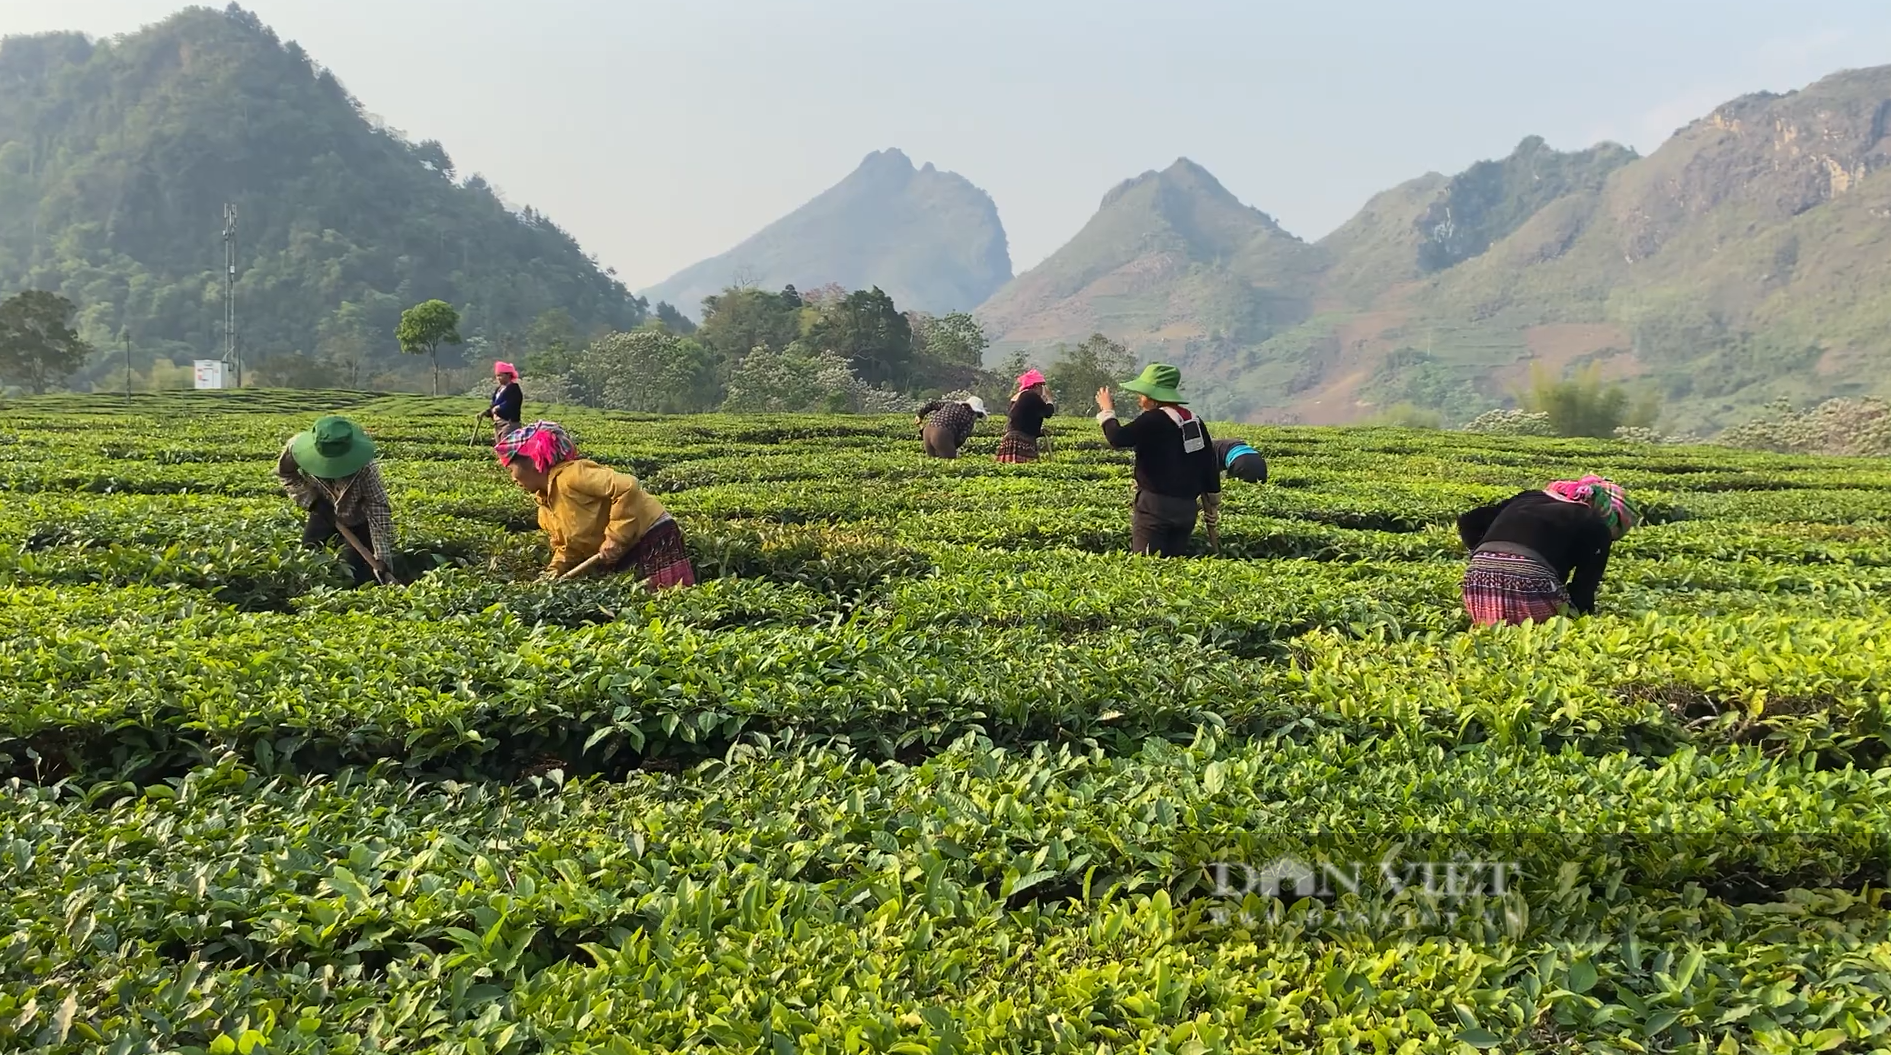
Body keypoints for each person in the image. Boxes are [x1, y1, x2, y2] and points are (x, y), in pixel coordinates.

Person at [496, 420, 696, 588]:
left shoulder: (571, 475)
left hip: (650, 531)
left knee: (663, 600)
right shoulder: (545, 509)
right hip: (627, 545)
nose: (512, 477)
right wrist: (553, 572)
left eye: (510, 469)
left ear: (533, 462)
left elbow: (627, 486)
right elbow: (568, 548)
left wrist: (615, 537)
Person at [1456, 475, 1642, 627]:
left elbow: (1468, 521)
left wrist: (1486, 557)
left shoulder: (1529, 497)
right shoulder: (1596, 525)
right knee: (1552, 627)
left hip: (1476, 582)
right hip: (1530, 581)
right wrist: (1582, 623)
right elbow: (1583, 590)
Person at [1095, 363, 1222, 556]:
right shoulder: (1194, 420)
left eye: (1142, 394)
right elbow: (1208, 462)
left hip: (1155, 508)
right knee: (1173, 566)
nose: (1140, 399)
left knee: (1147, 567)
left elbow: (1118, 438)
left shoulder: (1154, 420)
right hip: (1186, 510)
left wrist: (1107, 411)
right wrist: (1213, 501)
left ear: (1153, 398)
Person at [277, 415, 398, 586]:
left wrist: (382, 558)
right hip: (322, 509)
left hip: (356, 517)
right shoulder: (296, 449)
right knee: (309, 557)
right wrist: (310, 499)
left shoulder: (366, 469)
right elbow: (286, 474)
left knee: (357, 574)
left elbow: (378, 511)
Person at [996, 369, 1056, 463]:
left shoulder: (1018, 397)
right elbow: (1048, 412)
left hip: (1010, 437)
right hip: (1022, 439)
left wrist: (1039, 431)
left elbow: (1024, 419)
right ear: (1037, 385)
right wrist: (1049, 400)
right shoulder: (1031, 395)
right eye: (1042, 386)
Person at [915, 395, 988, 459]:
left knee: (932, 462)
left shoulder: (951, 404)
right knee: (950, 462)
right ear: (975, 412)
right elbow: (960, 439)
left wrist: (920, 415)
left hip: (927, 431)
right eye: (979, 415)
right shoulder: (969, 418)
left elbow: (932, 404)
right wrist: (952, 450)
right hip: (941, 434)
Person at [478, 362, 524, 439]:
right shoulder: (499, 389)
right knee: (499, 448)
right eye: (497, 376)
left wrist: (500, 407)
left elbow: (512, 403)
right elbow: (494, 404)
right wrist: (486, 412)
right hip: (497, 423)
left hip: (509, 423)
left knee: (506, 447)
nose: (498, 378)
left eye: (500, 375)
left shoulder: (514, 388)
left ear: (508, 375)